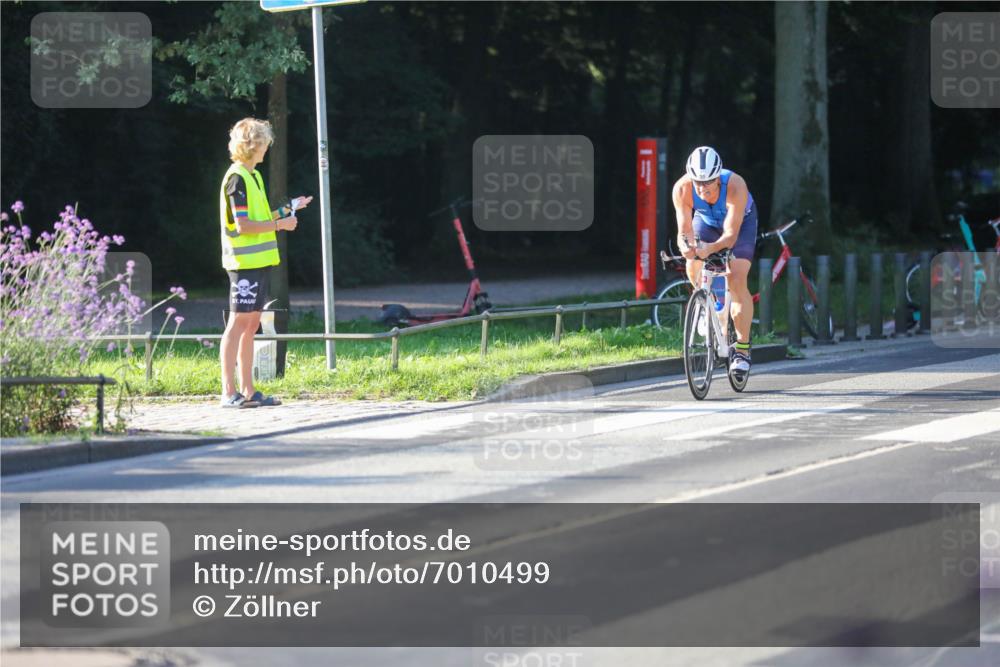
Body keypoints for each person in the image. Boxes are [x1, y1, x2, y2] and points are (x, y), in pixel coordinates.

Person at [219, 118, 313, 407]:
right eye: (263, 144)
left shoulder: (254, 176)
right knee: (237, 324)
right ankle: (228, 392)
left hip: (259, 263)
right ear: (251, 145)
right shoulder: (236, 178)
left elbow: (261, 217)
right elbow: (244, 225)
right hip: (243, 264)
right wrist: (281, 225)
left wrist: (289, 208)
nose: (267, 148)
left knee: (251, 326)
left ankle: (249, 391)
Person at [672, 146, 757, 379]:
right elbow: (684, 230)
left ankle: (741, 349)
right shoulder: (682, 189)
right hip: (706, 222)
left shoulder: (736, 186)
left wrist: (709, 248)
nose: (701, 187)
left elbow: (730, 235)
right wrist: (686, 247)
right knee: (693, 262)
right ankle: (707, 304)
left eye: (708, 181)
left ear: (718, 178)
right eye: (697, 181)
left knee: (736, 278)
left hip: (740, 226)